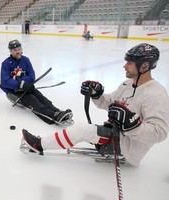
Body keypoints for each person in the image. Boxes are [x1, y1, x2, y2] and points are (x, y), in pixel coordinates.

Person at [21, 43, 169, 166]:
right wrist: (96, 94)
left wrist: (134, 126)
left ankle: (38, 145)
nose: (125, 66)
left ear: (144, 66)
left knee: (81, 129)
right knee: (83, 129)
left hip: (128, 147)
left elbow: (160, 133)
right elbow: (111, 103)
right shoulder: (127, 83)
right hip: (116, 133)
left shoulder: (156, 94)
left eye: (129, 63)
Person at [0, 39, 73, 125]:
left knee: (41, 97)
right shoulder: (6, 63)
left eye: (19, 49)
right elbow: (4, 82)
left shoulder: (26, 60)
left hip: (26, 87)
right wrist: (21, 84)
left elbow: (32, 77)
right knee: (32, 100)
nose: (18, 51)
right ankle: (53, 116)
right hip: (13, 92)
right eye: (15, 50)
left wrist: (20, 81)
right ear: (11, 51)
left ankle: (57, 111)